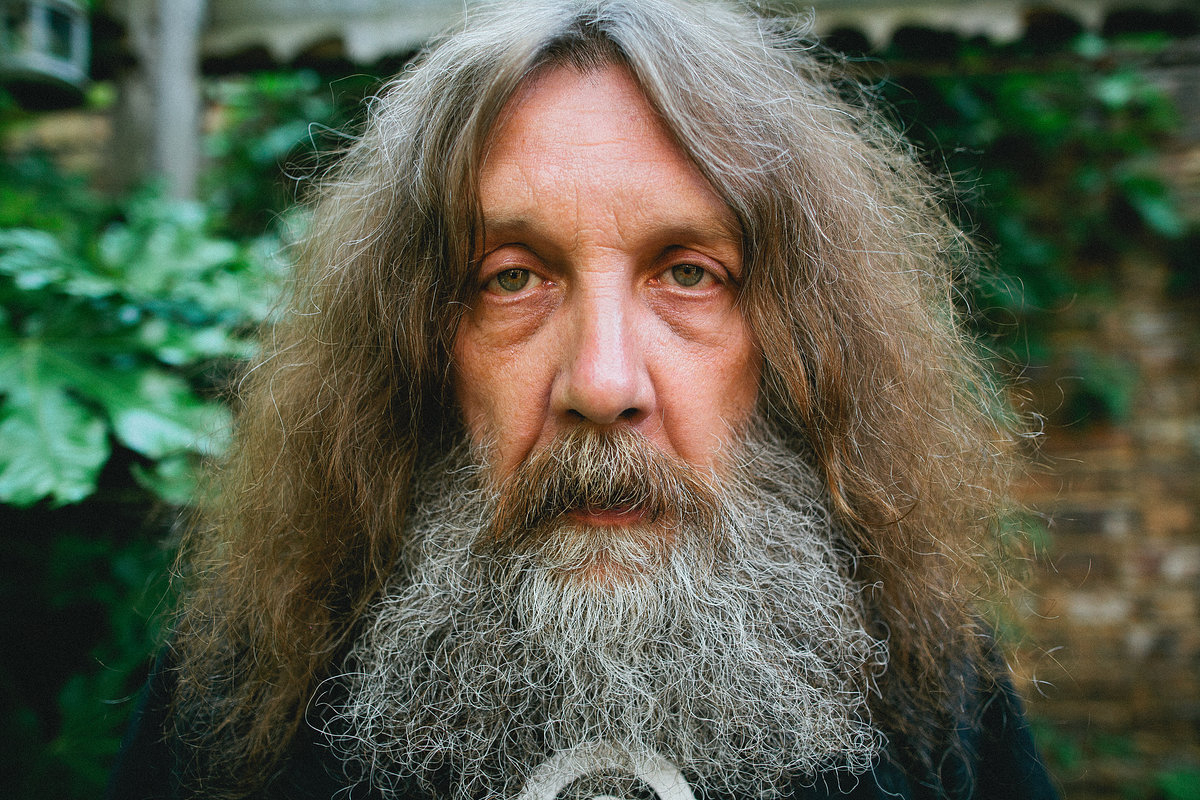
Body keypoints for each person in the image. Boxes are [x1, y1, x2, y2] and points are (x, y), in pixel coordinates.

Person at [108, 1, 1058, 798]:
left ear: (798, 340)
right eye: (511, 279)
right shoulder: (236, 714)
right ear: (414, 347)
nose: (603, 385)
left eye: (688, 274)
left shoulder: (930, 698)